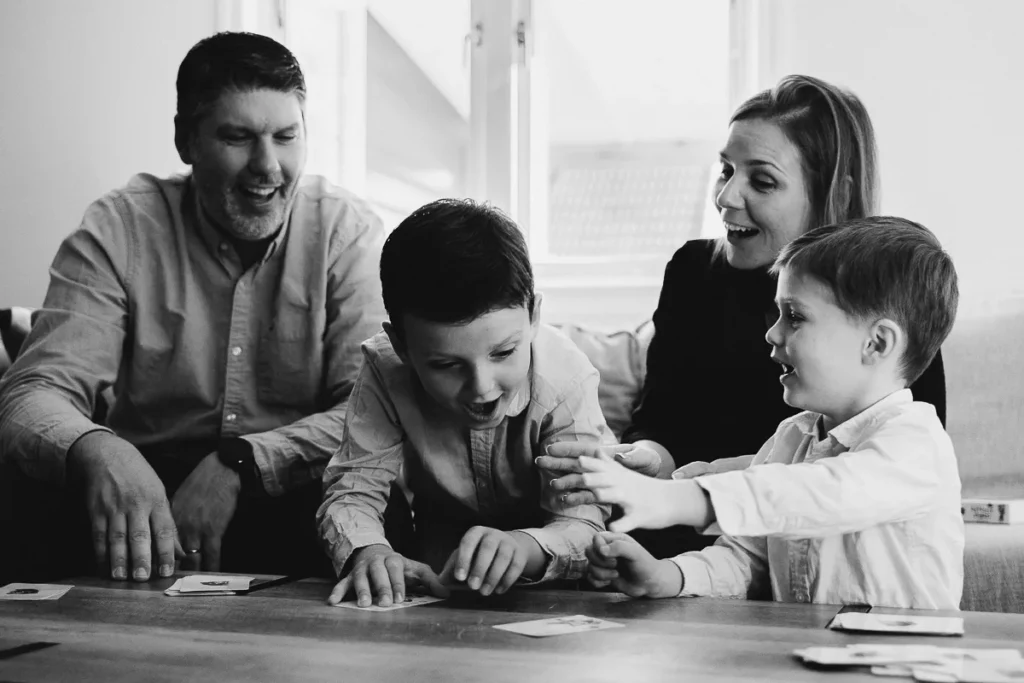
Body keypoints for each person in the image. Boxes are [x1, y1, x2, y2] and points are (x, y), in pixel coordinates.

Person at [0, 32, 387, 581]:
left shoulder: (346, 233)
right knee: (33, 484)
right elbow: (31, 392)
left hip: (296, 491)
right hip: (144, 494)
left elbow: (371, 413)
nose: (268, 165)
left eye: (285, 136)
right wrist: (96, 446)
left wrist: (243, 462)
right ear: (186, 141)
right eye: (238, 137)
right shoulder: (120, 229)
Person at [538, 74, 948, 557]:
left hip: (803, 549)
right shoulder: (693, 272)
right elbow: (661, 422)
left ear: (832, 192)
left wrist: (680, 498)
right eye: (726, 170)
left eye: (763, 180)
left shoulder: (889, 315)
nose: (727, 197)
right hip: (693, 543)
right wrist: (648, 461)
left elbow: (848, 483)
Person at [576, 217, 963, 610]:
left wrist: (678, 499)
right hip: (807, 657)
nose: (772, 333)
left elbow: (815, 494)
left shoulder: (916, 444)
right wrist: (668, 576)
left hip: (903, 662)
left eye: (794, 316)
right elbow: (747, 558)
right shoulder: (791, 438)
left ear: (876, 343)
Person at [317, 198, 612, 608]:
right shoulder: (385, 372)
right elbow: (353, 490)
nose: (482, 388)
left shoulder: (566, 379)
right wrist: (367, 552)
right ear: (401, 345)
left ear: (534, 317)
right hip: (436, 576)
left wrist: (523, 548)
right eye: (446, 364)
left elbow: (584, 522)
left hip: (549, 582)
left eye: (504, 353)